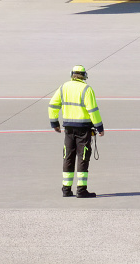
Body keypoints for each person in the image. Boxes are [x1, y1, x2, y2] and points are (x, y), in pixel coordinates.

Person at [48, 64, 104, 197]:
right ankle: (81, 190)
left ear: (71, 74)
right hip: (83, 130)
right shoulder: (87, 89)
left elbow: (52, 105)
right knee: (83, 157)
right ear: (84, 76)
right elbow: (93, 110)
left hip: (68, 130)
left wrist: (54, 122)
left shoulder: (64, 87)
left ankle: (66, 189)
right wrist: (99, 127)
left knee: (68, 157)